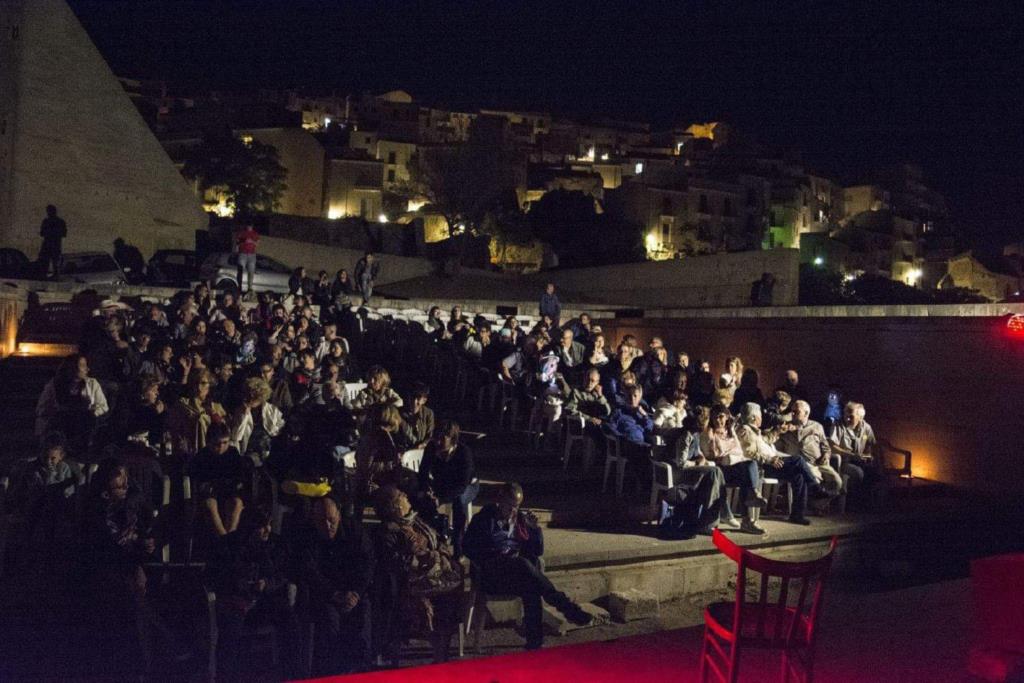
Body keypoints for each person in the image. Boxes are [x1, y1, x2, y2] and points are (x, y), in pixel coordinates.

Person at [463, 483, 591, 650]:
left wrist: (535, 529)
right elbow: (467, 547)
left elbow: (537, 551)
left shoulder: (520, 520)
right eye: (509, 506)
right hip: (490, 575)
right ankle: (565, 606)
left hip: (513, 573)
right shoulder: (484, 519)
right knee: (524, 565)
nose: (512, 511)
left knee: (532, 586)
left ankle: (534, 643)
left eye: (516, 507)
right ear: (500, 501)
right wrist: (491, 554)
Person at [205, 507, 299, 679]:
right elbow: (214, 577)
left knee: (289, 618)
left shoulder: (275, 544)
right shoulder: (229, 545)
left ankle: (288, 674)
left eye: (269, 525)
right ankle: (226, 677)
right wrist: (241, 586)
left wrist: (267, 583)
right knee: (230, 631)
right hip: (235, 601)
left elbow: (285, 573)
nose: (268, 530)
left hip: (264, 602)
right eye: (262, 526)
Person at [373, 486, 464, 662]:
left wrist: (438, 556)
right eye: (401, 496)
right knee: (431, 603)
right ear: (396, 507)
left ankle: (441, 657)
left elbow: (438, 543)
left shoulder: (417, 523)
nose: (406, 496)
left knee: (450, 595)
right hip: (411, 584)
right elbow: (393, 564)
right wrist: (420, 559)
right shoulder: (387, 532)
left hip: (435, 578)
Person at [291, 495, 374, 675]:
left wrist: (355, 593)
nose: (328, 526)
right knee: (329, 622)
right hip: (324, 593)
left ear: (339, 515)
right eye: (322, 521)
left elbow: (367, 563)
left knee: (363, 615)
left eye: (331, 520)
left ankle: (361, 671)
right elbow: (309, 572)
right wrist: (334, 594)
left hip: (353, 591)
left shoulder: (355, 531)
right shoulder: (307, 537)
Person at [735, 403, 820, 525]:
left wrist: (778, 431)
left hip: (771, 462)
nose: (761, 418)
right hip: (764, 466)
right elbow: (748, 453)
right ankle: (815, 487)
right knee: (798, 460)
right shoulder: (745, 431)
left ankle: (797, 515)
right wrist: (769, 460)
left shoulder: (754, 431)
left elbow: (766, 440)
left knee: (798, 475)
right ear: (754, 418)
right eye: (760, 416)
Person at [701, 404, 767, 535]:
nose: (718, 420)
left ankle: (747, 519)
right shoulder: (709, 433)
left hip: (735, 467)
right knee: (748, 471)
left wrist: (732, 431)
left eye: (721, 417)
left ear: (726, 417)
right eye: (715, 417)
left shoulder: (731, 431)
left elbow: (739, 452)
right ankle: (749, 510)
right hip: (720, 470)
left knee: (749, 469)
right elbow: (708, 456)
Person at [417, 420, 478, 557]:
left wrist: (441, 499)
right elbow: (423, 471)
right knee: (422, 499)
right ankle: (433, 537)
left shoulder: (463, 453)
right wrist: (425, 489)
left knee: (459, 501)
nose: (438, 442)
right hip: (442, 483)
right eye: (436, 437)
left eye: (442, 439)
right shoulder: (432, 448)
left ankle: (458, 545)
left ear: (453, 440)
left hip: (466, 486)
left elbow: (462, 485)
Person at [190, 422, 248, 537]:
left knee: (236, 503)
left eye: (225, 442)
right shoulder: (202, 456)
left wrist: (237, 484)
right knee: (210, 504)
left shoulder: (232, 453)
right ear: (209, 442)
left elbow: (240, 475)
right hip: (211, 494)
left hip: (229, 492)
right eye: (217, 443)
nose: (221, 447)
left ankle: (229, 537)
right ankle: (224, 539)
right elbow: (198, 479)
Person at [776, 400, 844, 496]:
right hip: (800, 464)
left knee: (837, 482)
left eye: (797, 412)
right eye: (792, 411)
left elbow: (826, 446)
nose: (793, 414)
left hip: (818, 463)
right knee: (813, 478)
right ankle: (814, 503)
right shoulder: (785, 427)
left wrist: (826, 455)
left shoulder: (817, 426)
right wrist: (780, 431)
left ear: (806, 413)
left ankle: (818, 505)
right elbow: (773, 443)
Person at [829, 402, 880, 502]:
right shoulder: (838, 425)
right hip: (843, 461)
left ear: (860, 417)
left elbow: (871, 443)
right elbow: (832, 446)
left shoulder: (866, 428)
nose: (847, 419)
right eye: (845, 415)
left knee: (875, 473)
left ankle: (864, 504)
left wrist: (868, 454)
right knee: (858, 473)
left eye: (851, 417)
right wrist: (852, 455)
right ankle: (852, 501)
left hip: (860, 461)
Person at [399, 382, 435, 450]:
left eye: (418, 398)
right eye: (412, 397)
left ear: (424, 400)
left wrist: (423, 444)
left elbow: (430, 435)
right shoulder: (399, 413)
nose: (414, 401)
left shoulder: (428, 414)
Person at [38, 204, 67, 278]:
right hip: (54, 244)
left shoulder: (46, 221)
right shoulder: (60, 221)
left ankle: (45, 274)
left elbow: (42, 233)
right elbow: (64, 234)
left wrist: (49, 233)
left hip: (48, 244)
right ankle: (54, 274)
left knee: (47, 261)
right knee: (54, 261)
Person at [234, 222, 260, 298]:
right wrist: (243, 242)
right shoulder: (242, 233)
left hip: (251, 254)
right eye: (248, 225)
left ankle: (250, 288)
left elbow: (257, 244)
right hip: (243, 253)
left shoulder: (255, 234)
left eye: (250, 225)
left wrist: (251, 241)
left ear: (252, 226)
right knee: (240, 270)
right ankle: (239, 287)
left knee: (251, 271)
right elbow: (237, 242)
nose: (249, 226)